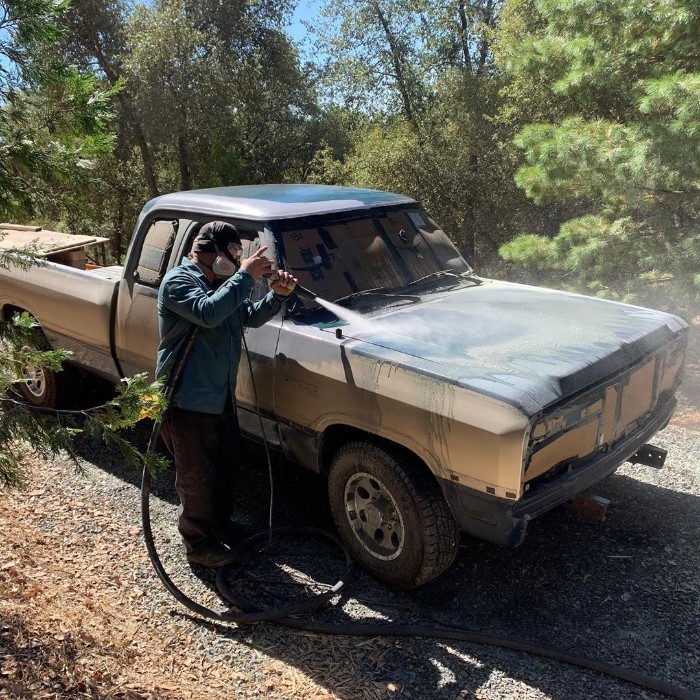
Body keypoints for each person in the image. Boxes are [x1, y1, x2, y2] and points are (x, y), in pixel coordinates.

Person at [156, 221, 297, 568]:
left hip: (220, 398)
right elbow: (208, 313)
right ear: (211, 250)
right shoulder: (179, 282)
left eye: (239, 254)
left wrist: (276, 296)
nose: (237, 258)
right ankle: (198, 544)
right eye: (233, 252)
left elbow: (246, 315)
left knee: (223, 469)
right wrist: (245, 276)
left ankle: (219, 526)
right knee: (196, 477)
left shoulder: (222, 283)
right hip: (185, 400)